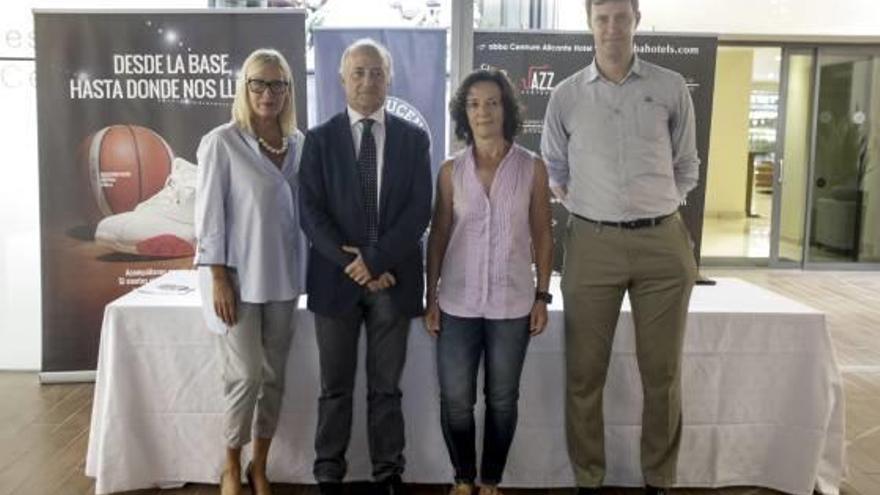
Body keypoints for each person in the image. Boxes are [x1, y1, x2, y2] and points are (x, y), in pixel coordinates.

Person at [540, 1, 700, 494]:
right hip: (592, 244)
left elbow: (686, 164)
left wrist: (657, 206)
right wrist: (598, 207)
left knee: (663, 375)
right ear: (590, 24)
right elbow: (555, 169)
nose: (612, 27)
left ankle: (660, 479)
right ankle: (590, 478)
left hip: (662, 245)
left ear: (637, 21)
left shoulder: (670, 87)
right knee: (585, 375)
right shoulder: (566, 96)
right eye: (602, 17)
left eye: (620, 17)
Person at [298, 38, 432, 495]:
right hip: (335, 284)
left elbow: (419, 211)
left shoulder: (414, 140)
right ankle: (328, 474)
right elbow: (310, 214)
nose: (367, 80)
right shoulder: (318, 140)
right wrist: (354, 265)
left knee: (386, 390)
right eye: (358, 72)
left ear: (389, 77)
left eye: (376, 72)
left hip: (392, 283)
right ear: (341, 80)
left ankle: (388, 474)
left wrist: (375, 262)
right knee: (334, 388)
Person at [425, 69, 553, 495]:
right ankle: (463, 479)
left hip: (512, 306)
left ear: (507, 109)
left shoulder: (533, 168)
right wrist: (431, 298)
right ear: (465, 112)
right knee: (457, 401)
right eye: (474, 103)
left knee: (502, 401)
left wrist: (541, 297)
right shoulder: (449, 171)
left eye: (492, 102)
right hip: (457, 304)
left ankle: (491, 481)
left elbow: (543, 234)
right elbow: (439, 236)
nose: (483, 111)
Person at [194, 48, 305, 495]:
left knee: (275, 375)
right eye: (258, 83)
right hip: (236, 280)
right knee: (245, 376)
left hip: (285, 281)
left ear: (288, 91)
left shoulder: (300, 144)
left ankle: (260, 465)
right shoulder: (221, 142)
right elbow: (208, 218)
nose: (268, 93)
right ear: (244, 88)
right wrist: (218, 275)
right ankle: (229, 463)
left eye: (277, 84)